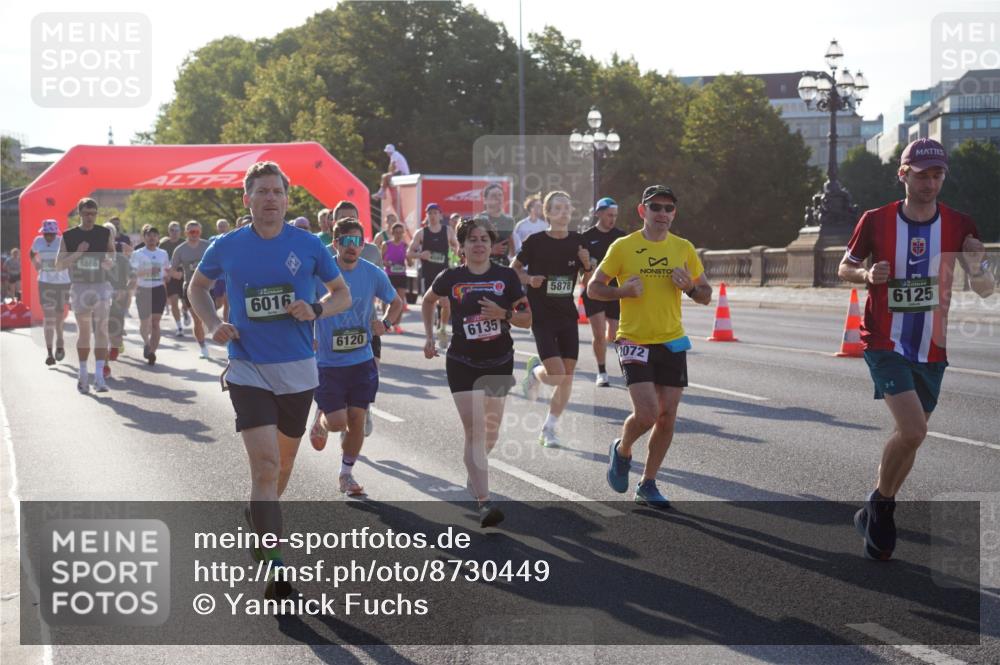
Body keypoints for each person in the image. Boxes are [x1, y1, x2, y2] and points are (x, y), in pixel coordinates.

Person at [188, 161, 350, 600]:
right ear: (247, 199)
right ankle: (277, 567)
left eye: (277, 191)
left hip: (298, 369)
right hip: (248, 367)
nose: (270, 199)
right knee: (264, 466)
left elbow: (342, 295)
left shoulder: (309, 246)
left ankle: (260, 516)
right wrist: (213, 322)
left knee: (282, 468)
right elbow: (197, 287)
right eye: (261, 192)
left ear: (286, 197)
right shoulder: (226, 245)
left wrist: (315, 309)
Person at [837, 139, 995, 561]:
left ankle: (876, 502)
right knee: (913, 430)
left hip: (933, 346)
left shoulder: (960, 224)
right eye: (922, 174)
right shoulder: (876, 220)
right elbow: (843, 267)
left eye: (937, 174)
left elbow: (984, 290)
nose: (930, 182)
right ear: (903, 174)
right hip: (885, 339)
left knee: (910, 439)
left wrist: (980, 265)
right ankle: (884, 511)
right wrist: (868, 273)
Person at [589, 185, 712, 509]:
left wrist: (690, 289)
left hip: (671, 339)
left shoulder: (683, 248)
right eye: (655, 207)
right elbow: (593, 288)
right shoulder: (623, 247)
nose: (662, 213)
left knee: (668, 416)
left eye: (668, 208)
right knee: (647, 413)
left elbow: (706, 294)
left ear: (674, 213)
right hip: (633, 338)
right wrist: (622, 293)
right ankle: (623, 449)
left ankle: (648, 483)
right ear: (643, 211)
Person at [421, 217, 531, 527]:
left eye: (484, 238)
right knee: (476, 431)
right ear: (462, 246)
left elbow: (527, 318)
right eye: (472, 239)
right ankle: (485, 502)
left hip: (498, 361)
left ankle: (475, 473)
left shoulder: (506, 277)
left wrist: (504, 314)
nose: (479, 244)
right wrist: (430, 335)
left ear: (491, 245)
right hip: (462, 361)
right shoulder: (451, 277)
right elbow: (429, 301)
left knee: (491, 433)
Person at [309, 217, 404, 495]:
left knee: (357, 421)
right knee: (338, 421)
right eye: (347, 241)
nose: (353, 247)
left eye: (358, 241)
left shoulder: (373, 273)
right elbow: (303, 304)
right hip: (327, 362)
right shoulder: (320, 275)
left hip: (361, 360)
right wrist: (308, 334)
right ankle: (323, 419)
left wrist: (385, 324)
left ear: (363, 245)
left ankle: (346, 474)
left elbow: (396, 302)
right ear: (335, 243)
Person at [514, 191, 591, 447]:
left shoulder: (578, 241)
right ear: (547, 213)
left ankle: (549, 428)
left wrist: (586, 266)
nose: (564, 212)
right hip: (542, 315)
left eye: (568, 208)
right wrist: (529, 279)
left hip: (567, 315)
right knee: (556, 375)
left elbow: (588, 284)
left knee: (567, 376)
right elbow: (514, 270)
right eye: (558, 208)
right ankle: (536, 372)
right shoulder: (535, 241)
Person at [330, 200, 384, 437]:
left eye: (352, 217)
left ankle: (365, 409)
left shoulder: (371, 251)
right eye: (342, 218)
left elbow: (379, 284)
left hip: (366, 325)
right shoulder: (324, 253)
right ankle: (342, 414)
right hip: (334, 328)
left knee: (370, 374)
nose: (348, 222)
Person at [56, 197, 116, 394]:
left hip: (100, 285)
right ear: (79, 214)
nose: (90, 217)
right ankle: (83, 375)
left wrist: (110, 262)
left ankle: (99, 377)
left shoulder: (104, 233)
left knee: (101, 329)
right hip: (80, 286)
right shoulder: (69, 235)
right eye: (86, 213)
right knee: (84, 332)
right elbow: (59, 264)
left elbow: (112, 254)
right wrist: (78, 253)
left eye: (93, 214)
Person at [581, 197, 627, 387]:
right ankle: (602, 372)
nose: (612, 219)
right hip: (594, 290)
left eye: (615, 216)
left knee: (615, 334)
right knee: (599, 334)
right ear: (598, 213)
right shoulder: (586, 236)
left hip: (615, 291)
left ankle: (625, 369)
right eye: (609, 215)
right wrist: (587, 268)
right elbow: (582, 273)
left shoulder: (622, 236)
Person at [407, 203, 459, 349]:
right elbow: (409, 253)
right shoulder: (421, 233)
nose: (433, 215)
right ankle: (429, 335)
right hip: (428, 274)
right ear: (427, 216)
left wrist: (456, 251)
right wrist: (420, 255)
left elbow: (456, 245)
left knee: (446, 303)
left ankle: (442, 329)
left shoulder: (447, 231)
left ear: (440, 215)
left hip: (444, 273)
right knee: (430, 303)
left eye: (436, 213)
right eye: (430, 213)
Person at [30, 220, 71, 365]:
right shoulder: (38, 241)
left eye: (50, 234)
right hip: (45, 283)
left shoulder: (63, 242)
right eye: (46, 233)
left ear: (56, 232)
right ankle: (49, 353)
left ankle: (60, 342)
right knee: (48, 319)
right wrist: (36, 263)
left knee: (58, 319)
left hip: (62, 283)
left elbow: (71, 261)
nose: (48, 236)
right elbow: (31, 252)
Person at [170, 220, 212, 358]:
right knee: (198, 319)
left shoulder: (208, 246)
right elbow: (172, 270)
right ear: (186, 233)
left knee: (209, 317)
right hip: (190, 288)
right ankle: (203, 347)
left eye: (197, 232)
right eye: (191, 232)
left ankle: (186, 312)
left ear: (200, 232)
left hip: (209, 286)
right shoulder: (180, 250)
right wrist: (178, 274)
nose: (194, 234)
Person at [131, 225, 170, 366]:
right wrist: (148, 270)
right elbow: (133, 273)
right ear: (144, 238)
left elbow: (166, 270)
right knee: (144, 322)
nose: (152, 238)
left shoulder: (163, 253)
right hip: (143, 290)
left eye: (154, 235)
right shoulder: (137, 253)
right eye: (149, 235)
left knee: (155, 323)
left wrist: (170, 275)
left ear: (158, 238)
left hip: (158, 289)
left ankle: (152, 352)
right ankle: (146, 343)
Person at [105, 225, 137, 379]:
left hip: (118, 299)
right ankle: (104, 365)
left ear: (114, 237)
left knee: (115, 333)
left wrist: (125, 290)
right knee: (101, 331)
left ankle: (116, 345)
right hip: (99, 298)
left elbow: (133, 277)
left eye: (110, 235)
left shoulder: (122, 259)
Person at [159, 221, 188, 337]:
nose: (174, 232)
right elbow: (160, 262)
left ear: (180, 231)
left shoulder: (184, 243)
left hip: (184, 275)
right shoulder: (163, 245)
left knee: (185, 302)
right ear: (168, 231)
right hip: (170, 276)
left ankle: (185, 311)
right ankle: (179, 326)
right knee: (174, 302)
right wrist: (165, 275)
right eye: (172, 230)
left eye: (176, 230)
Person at [381, 222, 411, 333]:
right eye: (396, 232)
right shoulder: (386, 244)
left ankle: (397, 324)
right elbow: (380, 260)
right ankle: (386, 323)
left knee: (400, 300)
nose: (398, 234)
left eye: (400, 232)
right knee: (387, 299)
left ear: (403, 233)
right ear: (392, 233)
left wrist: (409, 258)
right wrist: (386, 263)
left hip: (401, 275)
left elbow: (411, 263)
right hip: (389, 275)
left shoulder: (405, 245)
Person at [477, 183, 516, 267]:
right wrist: (491, 250)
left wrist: (513, 260)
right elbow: (469, 248)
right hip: (483, 267)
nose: (498, 198)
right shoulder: (478, 220)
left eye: (500, 195)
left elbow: (510, 240)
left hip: (504, 267)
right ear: (485, 200)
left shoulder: (509, 220)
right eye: (493, 195)